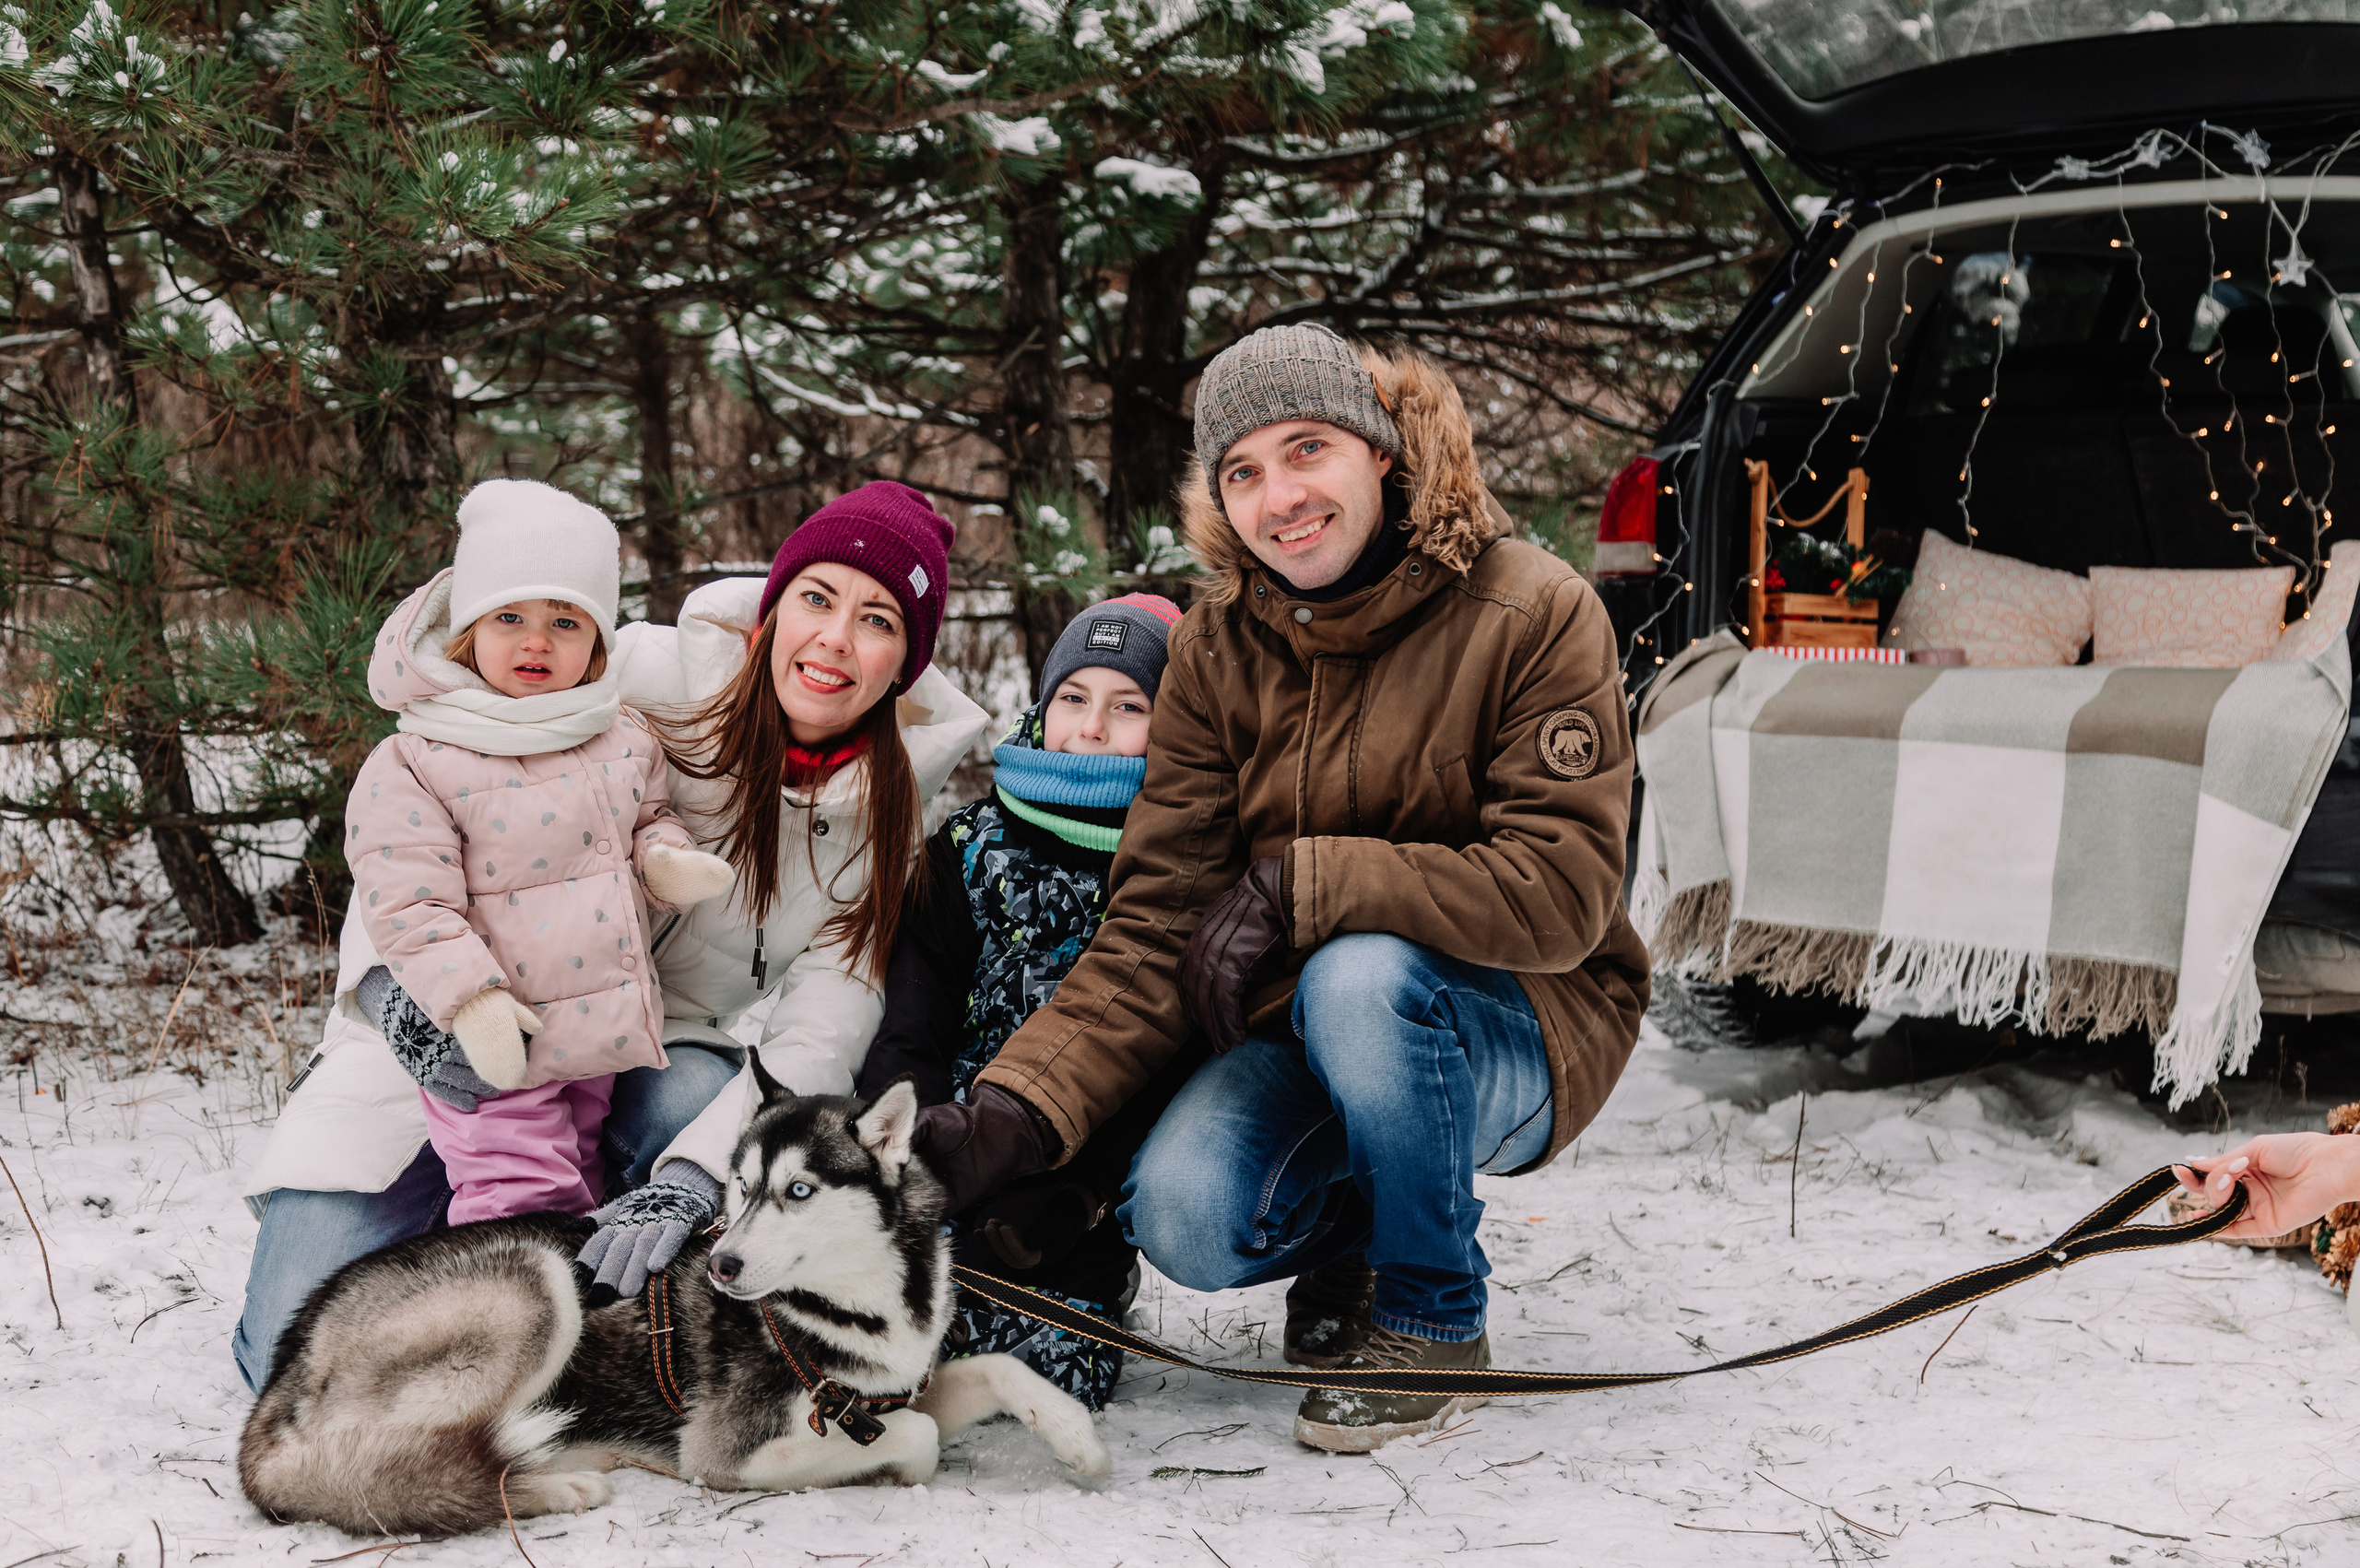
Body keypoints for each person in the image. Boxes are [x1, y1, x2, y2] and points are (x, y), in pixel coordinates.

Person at [912, 324, 1650, 1452]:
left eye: (1308, 451)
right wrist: (1008, 1117)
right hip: (1313, 1032)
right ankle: (1361, 1232)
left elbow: (1564, 893)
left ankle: (1432, 1319)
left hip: (1524, 1016)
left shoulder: (1531, 609)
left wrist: (1308, 883)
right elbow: (1155, 923)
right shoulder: (1217, 648)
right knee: (1189, 1212)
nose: (1280, 496)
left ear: (1382, 453)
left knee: (1362, 975)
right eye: (1243, 472)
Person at [232, 479, 988, 1392]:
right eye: (817, 600)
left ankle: (601, 1256)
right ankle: (459, 1231)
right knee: (285, 1352)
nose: (834, 639)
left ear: (904, 662)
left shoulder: (885, 812)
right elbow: (420, 808)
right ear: (771, 611)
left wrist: (709, 1176)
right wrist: (404, 1002)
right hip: (466, 1015)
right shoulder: (633, 674)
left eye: (878, 621)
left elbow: (826, 1025)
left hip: (646, 1049)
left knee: (687, 1112)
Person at [340, 479, 741, 1225]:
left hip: (596, 1030)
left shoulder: (619, 734)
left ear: (595, 643)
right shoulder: (419, 757)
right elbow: (408, 901)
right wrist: (471, 1001)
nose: (537, 640)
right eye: (511, 617)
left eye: (565, 620)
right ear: (468, 630)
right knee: (516, 1197)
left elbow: (647, 817)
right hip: (496, 1035)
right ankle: (502, 1320)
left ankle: (575, 1320)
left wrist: (663, 858)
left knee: (581, 1183)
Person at [856, 592, 1186, 1409]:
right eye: (1072, 697)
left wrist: (1082, 1191)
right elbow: (914, 1018)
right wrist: (912, 1155)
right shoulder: (970, 845)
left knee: (1050, 1368)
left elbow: (1170, 1054)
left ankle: (1090, 1275)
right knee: (887, 1340)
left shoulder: (1181, 859)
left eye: (1129, 706)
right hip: (955, 1138)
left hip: (1079, 1167)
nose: (1092, 727)